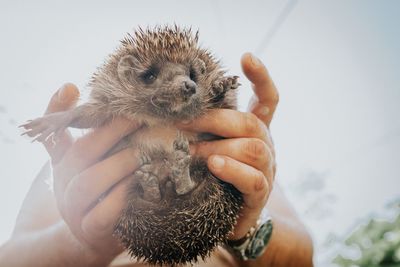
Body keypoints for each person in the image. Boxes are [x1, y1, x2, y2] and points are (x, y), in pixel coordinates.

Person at [0, 53, 313, 267]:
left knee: (201, 186)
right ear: (126, 76)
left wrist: (246, 228)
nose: (185, 84)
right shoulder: (74, 159)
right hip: (140, 215)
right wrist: (81, 243)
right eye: (154, 76)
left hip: (206, 210)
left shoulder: (244, 152)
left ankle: (181, 181)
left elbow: (303, 255)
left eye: (190, 75)